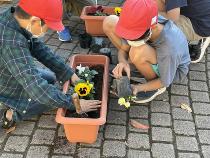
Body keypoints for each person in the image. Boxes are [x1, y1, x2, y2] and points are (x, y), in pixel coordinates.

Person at [0, 0, 101, 133]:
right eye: (49, 26)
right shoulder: (12, 42)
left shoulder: (14, 19)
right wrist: (73, 103)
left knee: (50, 79)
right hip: (4, 84)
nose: (49, 30)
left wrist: (68, 73)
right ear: (35, 21)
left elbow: (40, 49)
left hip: (8, 68)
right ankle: (10, 114)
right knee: (43, 98)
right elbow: (36, 89)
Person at [103, 0, 190, 103]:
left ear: (152, 27)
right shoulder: (143, 21)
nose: (129, 40)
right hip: (154, 53)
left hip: (171, 71)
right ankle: (137, 64)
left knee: (138, 51)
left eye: (134, 37)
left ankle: (152, 85)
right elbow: (123, 49)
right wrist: (123, 62)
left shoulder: (170, 48)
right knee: (109, 21)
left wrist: (138, 88)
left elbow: (165, 81)